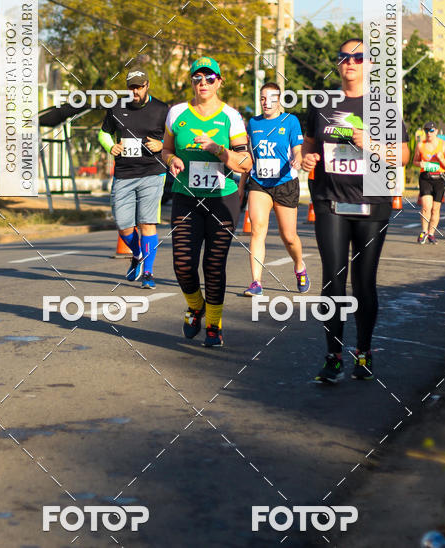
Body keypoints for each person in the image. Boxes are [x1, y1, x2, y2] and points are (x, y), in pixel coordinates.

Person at [301, 39, 409, 384]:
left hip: (372, 202)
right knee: (333, 280)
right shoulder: (321, 105)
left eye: (358, 57)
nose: (350, 62)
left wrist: (371, 143)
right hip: (330, 201)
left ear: (369, 65)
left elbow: (405, 157)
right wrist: (306, 159)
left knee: (364, 282)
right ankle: (333, 357)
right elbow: (308, 148)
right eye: (344, 57)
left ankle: (363, 352)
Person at [161, 57, 252, 347]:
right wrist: (171, 159)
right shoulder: (177, 113)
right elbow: (165, 149)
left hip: (222, 199)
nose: (203, 83)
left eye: (209, 78)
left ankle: (213, 323)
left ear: (219, 82)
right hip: (186, 197)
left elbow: (245, 163)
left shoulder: (231, 117)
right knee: (183, 264)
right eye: (197, 78)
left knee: (214, 265)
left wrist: (218, 150)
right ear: (192, 82)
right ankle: (195, 306)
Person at [98, 69, 168, 288]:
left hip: (152, 172)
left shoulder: (161, 109)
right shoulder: (116, 108)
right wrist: (112, 146)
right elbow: (103, 133)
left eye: (139, 86)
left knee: (147, 223)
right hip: (124, 174)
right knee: (123, 225)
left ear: (147, 85)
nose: (135, 91)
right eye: (131, 87)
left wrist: (162, 145)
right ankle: (137, 254)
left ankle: (148, 272)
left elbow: (174, 136)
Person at [238, 81, 308, 297]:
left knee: (288, 237)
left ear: (279, 100)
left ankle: (299, 265)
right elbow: (248, 157)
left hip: (285, 183)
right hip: (259, 183)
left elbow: (298, 149)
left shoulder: (290, 121)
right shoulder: (253, 123)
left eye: (272, 98)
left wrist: (298, 159)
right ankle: (256, 282)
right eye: (262, 98)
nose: (266, 102)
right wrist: (242, 186)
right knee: (258, 231)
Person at [412, 123, 445, 244]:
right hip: (425, 178)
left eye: (431, 130)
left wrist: (441, 159)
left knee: (435, 209)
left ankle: (431, 233)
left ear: (436, 131)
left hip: (439, 179)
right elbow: (414, 161)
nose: (428, 133)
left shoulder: (444, 145)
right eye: (426, 130)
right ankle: (424, 231)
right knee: (426, 207)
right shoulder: (420, 145)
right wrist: (420, 164)